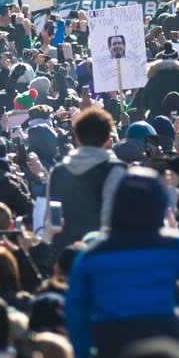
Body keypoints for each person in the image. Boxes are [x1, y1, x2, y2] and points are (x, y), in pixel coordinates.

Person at [64, 166, 179, 357]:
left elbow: (75, 312)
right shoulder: (170, 245)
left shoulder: (91, 256)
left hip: (111, 343)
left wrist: (83, 354)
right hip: (164, 339)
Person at [46, 108, 128, 255]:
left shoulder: (57, 172)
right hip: (103, 256)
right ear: (109, 139)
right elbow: (113, 219)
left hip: (64, 257)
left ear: (76, 137)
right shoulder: (116, 170)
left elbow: (51, 219)